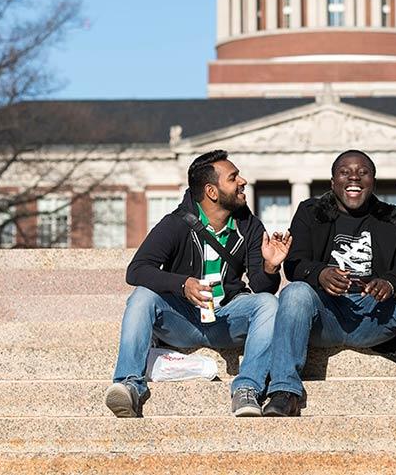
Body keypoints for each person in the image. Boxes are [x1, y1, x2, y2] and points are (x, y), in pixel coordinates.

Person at [261, 150, 396, 417]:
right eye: (345, 172)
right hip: (326, 314)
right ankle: (284, 392)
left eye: (363, 172)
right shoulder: (311, 212)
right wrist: (320, 274)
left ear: (373, 180)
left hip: (374, 313)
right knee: (295, 292)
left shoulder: (391, 217)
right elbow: (295, 263)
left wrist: (391, 283)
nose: (354, 177)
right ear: (333, 181)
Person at [107, 150, 291, 418]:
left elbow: (262, 287)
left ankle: (247, 388)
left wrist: (270, 266)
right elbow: (136, 271)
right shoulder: (175, 224)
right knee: (142, 296)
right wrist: (183, 285)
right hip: (183, 319)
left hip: (227, 318)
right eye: (233, 177)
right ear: (212, 191)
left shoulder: (249, 226)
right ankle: (128, 384)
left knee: (268, 303)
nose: (243, 181)